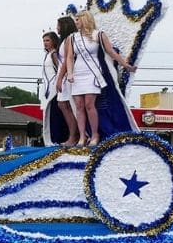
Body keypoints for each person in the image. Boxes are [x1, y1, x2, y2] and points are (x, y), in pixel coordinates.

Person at [65, 10, 138, 146]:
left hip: (93, 72)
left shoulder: (99, 34)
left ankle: (95, 134)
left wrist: (126, 65)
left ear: (85, 19)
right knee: (79, 106)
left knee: (89, 105)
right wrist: (69, 73)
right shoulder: (72, 38)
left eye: (77, 19)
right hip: (78, 73)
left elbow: (111, 52)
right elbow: (69, 57)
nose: (75, 22)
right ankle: (82, 136)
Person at [44, 16, 79, 146]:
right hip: (62, 76)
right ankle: (73, 135)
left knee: (69, 105)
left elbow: (64, 62)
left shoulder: (69, 40)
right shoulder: (64, 41)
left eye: (58, 25)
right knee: (63, 105)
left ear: (64, 26)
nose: (57, 28)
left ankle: (74, 136)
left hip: (66, 77)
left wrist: (59, 78)